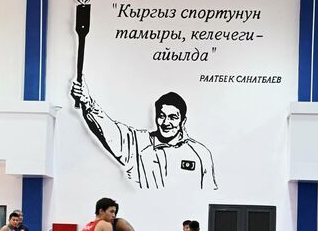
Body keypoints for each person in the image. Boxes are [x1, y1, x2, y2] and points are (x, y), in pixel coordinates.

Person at [71, 80, 216, 190]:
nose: (166, 122)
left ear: (183, 121)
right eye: (161, 116)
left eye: (173, 117)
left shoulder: (201, 154)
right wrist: (87, 102)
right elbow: (110, 129)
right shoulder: (138, 143)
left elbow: (209, 193)